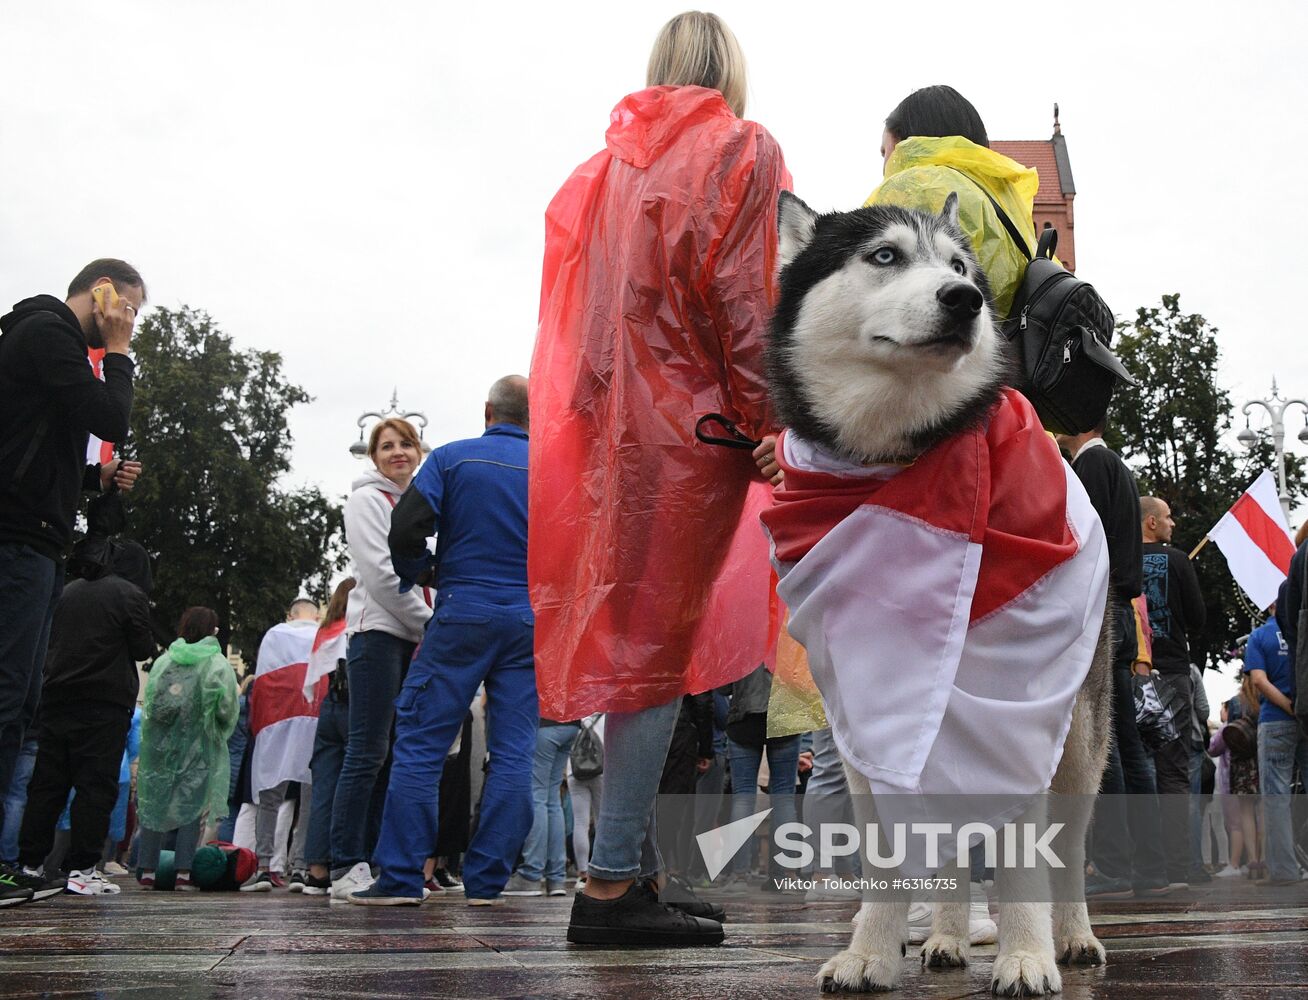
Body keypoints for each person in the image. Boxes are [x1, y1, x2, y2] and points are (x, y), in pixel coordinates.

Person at [530, 11, 788, 946]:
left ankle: (633, 869)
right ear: (727, 69)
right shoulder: (739, 148)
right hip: (696, 431)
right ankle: (608, 892)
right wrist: (769, 419)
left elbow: (587, 324)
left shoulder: (603, 174)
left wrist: (606, 421)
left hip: (619, 438)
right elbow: (746, 296)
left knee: (634, 643)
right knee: (652, 657)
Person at [349, 376, 537, 906]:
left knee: (421, 743)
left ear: (487, 411)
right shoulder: (553, 468)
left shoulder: (452, 459)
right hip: (528, 619)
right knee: (515, 750)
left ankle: (403, 877)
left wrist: (422, 572)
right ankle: (487, 883)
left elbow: (406, 526)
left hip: (463, 611)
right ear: (534, 417)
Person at [0, 259, 144, 900]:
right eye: (130, 308)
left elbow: (45, 452)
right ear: (104, 292)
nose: (130, 323)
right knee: (7, 702)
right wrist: (118, 351)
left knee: (20, 704)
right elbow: (111, 420)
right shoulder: (48, 331)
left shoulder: (45, 344)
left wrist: (95, 482)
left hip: (34, 535)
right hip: (17, 538)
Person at [1057, 421, 1170, 898]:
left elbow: (1082, 541)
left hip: (1102, 610)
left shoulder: (1092, 465)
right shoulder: (1117, 466)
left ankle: (1115, 863)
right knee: (1124, 745)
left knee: (1100, 747)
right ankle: (1147, 864)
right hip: (1120, 611)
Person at [15, 541, 156, 897]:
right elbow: (142, 648)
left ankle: (29, 864)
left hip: (57, 698)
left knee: (47, 785)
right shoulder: (129, 594)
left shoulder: (68, 591)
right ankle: (82, 868)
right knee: (95, 787)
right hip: (103, 702)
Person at [329, 418, 431, 901]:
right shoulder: (367, 500)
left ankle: (374, 862)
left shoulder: (421, 504)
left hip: (409, 637)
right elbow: (381, 572)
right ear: (373, 458)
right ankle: (345, 862)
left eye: (405, 444)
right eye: (386, 446)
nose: (397, 453)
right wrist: (429, 623)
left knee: (391, 756)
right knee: (366, 751)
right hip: (378, 634)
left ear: (419, 451)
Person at [863, 85, 1037, 319]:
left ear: (906, 143)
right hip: (1005, 347)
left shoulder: (916, 185)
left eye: (886, 152)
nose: (885, 165)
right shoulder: (1000, 196)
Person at [136, 607, 240, 890]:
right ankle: (183, 873)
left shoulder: (165, 660)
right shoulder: (216, 663)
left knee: (154, 804)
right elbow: (228, 707)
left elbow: (152, 702)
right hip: (198, 748)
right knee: (191, 808)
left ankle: (147, 870)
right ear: (212, 630)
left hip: (162, 748)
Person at [1139, 495, 1206, 887]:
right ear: (1150, 522)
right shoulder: (1178, 561)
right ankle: (1180, 866)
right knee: (1174, 773)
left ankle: (1144, 865)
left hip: (1134, 673)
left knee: (1136, 769)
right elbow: (1196, 618)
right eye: (1167, 517)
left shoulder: (1120, 558)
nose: (1173, 524)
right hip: (1173, 676)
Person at [241, 599, 322, 891]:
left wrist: (258, 726)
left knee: (269, 796)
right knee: (310, 799)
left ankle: (264, 867)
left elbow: (262, 685)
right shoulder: (325, 634)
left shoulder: (275, 634)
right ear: (317, 615)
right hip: (313, 721)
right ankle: (300, 866)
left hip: (276, 722)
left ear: (289, 614)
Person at [301, 578, 355, 895]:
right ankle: (347, 862)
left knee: (324, 790)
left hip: (329, 708)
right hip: (355, 706)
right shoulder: (357, 625)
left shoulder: (327, 629)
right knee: (356, 785)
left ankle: (316, 869)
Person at [1245, 607, 1306, 885]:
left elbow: (1258, 679)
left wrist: (1286, 706)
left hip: (1275, 721)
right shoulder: (1300, 634)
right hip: (1305, 720)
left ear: (1270, 606)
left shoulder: (1260, 636)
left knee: (1276, 798)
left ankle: (1284, 870)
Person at [503, 715, 583, 898]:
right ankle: (556, 877)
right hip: (571, 723)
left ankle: (530, 875)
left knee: (537, 797)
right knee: (553, 799)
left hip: (544, 722)